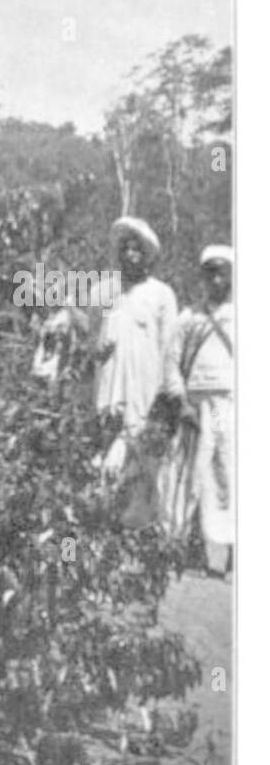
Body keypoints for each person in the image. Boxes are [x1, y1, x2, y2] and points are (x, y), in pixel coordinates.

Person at [93, 217, 178, 525]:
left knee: (145, 458)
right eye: (125, 249)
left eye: (137, 250)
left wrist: (170, 393)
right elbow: (93, 335)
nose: (131, 255)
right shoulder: (107, 291)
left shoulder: (161, 294)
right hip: (111, 390)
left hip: (146, 388)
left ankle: (147, 528)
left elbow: (170, 347)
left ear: (146, 256)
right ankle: (109, 523)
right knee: (110, 456)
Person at [157, 246, 234, 576]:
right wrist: (181, 401)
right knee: (186, 473)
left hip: (225, 407)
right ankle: (183, 548)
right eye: (209, 273)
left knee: (224, 472)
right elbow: (171, 362)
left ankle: (229, 554)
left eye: (222, 273)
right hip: (194, 405)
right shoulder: (189, 318)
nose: (215, 279)